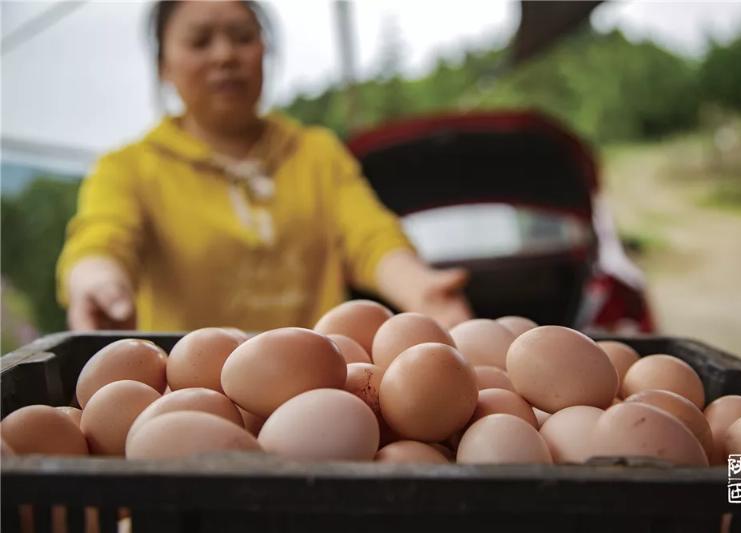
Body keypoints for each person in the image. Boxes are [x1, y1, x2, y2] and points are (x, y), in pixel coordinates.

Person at [56, 0, 472, 332]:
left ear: (264, 51)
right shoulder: (128, 168)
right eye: (200, 41)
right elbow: (102, 238)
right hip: (188, 393)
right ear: (165, 66)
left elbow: (370, 237)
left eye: (242, 37)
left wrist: (420, 289)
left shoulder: (316, 153)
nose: (225, 55)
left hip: (326, 383)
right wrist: (97, 283)